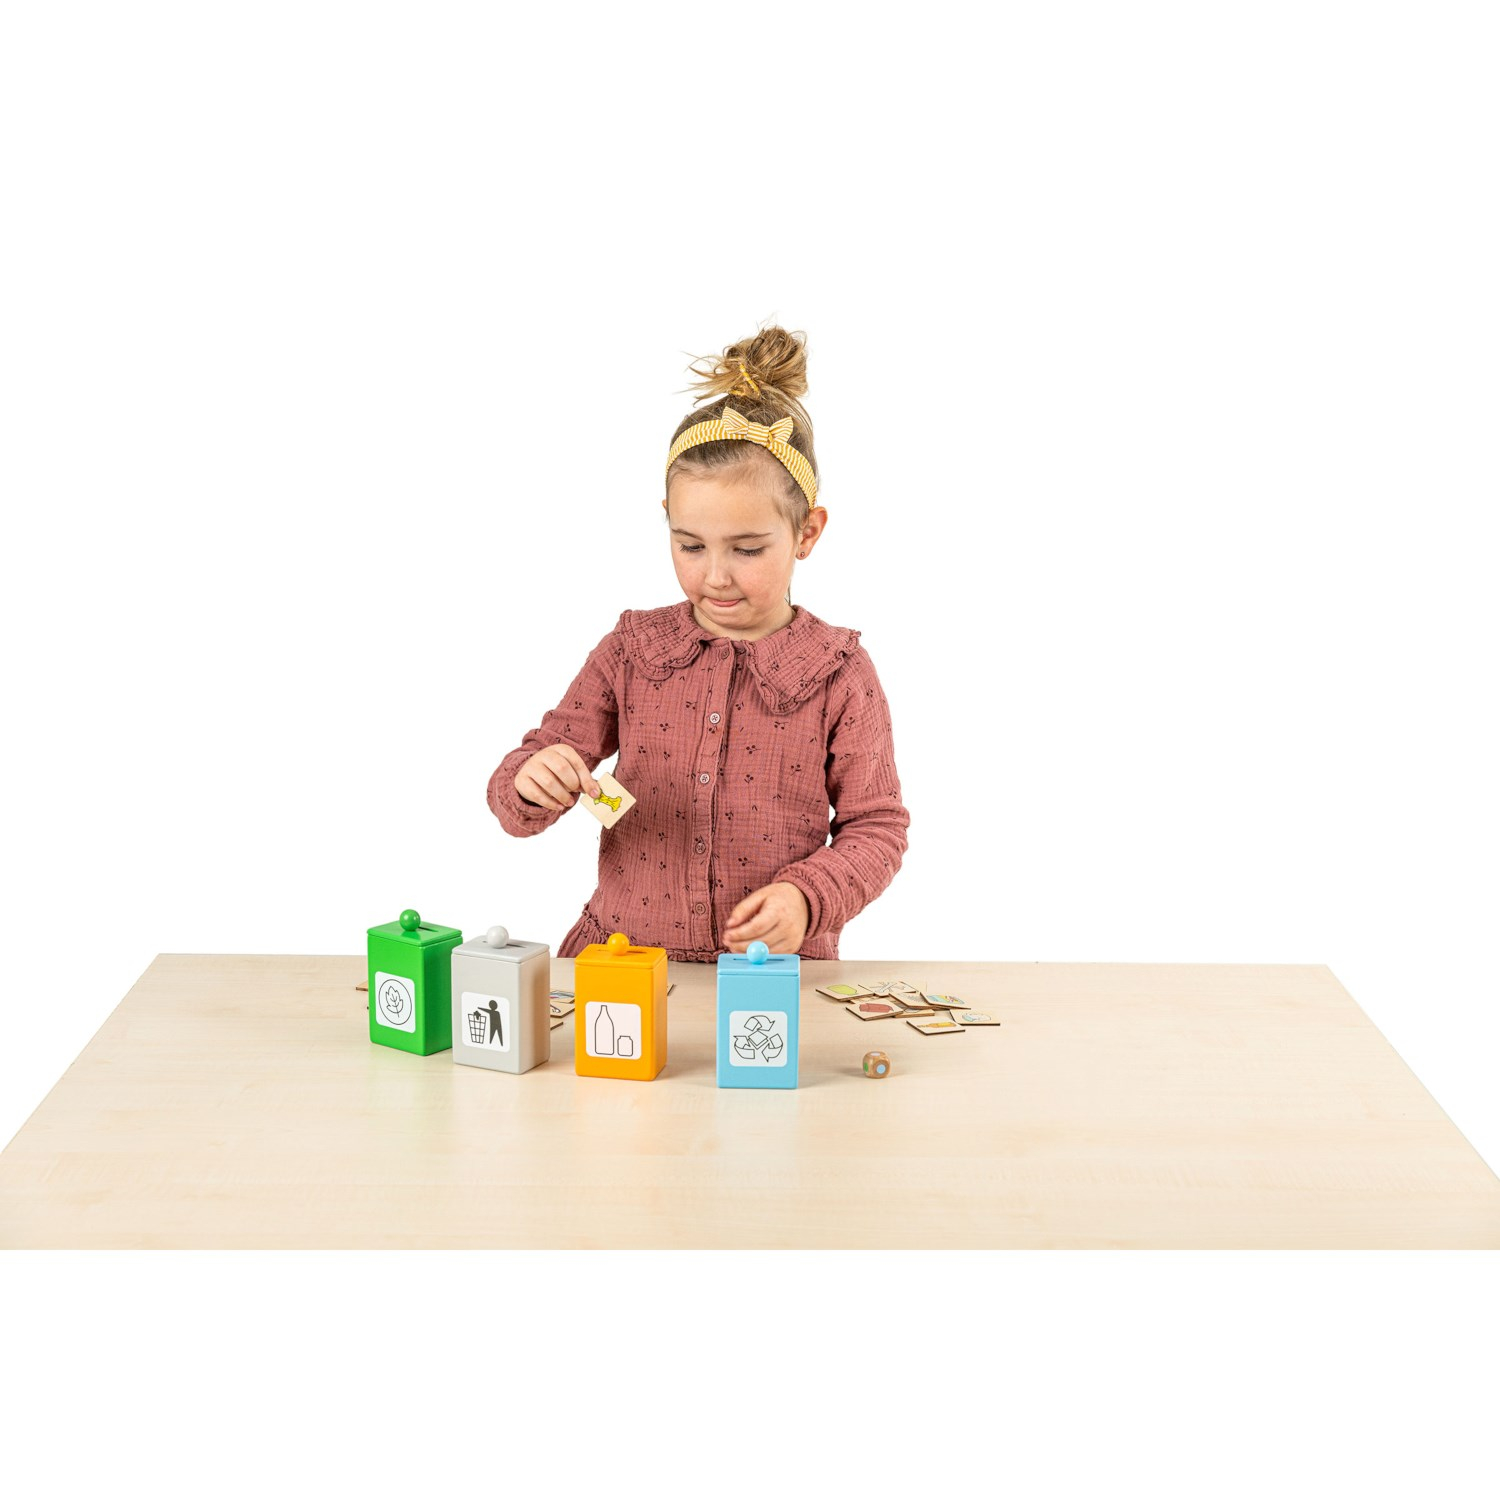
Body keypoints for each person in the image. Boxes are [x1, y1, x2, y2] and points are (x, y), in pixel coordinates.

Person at [486, 326, 909, 961]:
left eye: (747, 549)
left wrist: (807, 897)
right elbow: (535, 765)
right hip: (621, 963)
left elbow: (877, 828)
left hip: (773, 976)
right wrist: (531, 781)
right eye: (689, 545)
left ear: (807, 532)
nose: (715, 575)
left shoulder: (839, 673)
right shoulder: (631, 650)